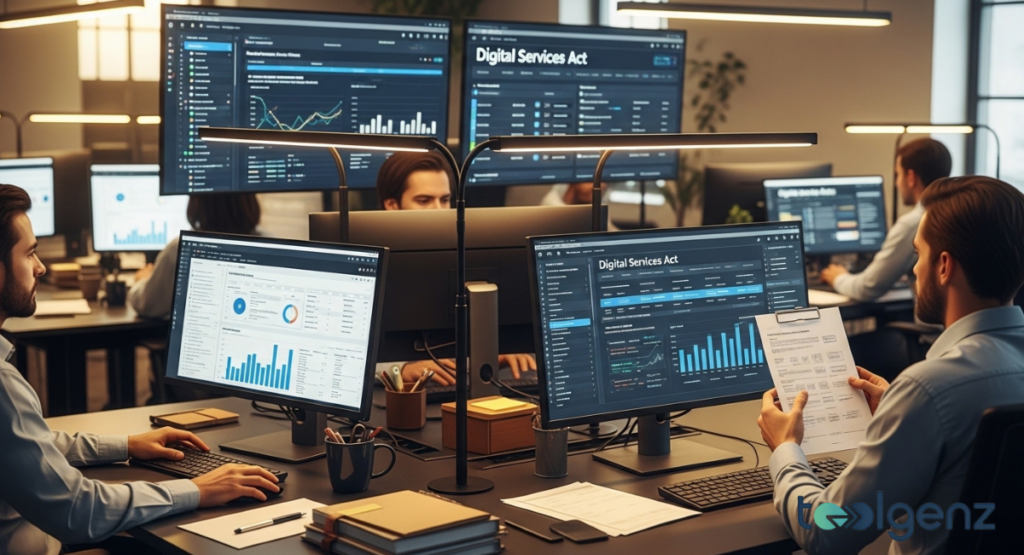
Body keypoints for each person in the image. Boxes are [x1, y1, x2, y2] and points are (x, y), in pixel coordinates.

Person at [0, 184, 280, 555]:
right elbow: (78, 510)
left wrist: (127, 445)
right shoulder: (4, 386)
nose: (41, 267)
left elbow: (26, 447)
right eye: (30, 253)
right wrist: (198, 489)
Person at [758, 176, 1024, 554]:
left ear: (944, 266)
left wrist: (785, 449)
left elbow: (826, 532)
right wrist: (900, 408)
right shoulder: (931, 393)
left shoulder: (930, 389)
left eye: (918, 254)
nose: (913, 270)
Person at [375, 152, 537, 385]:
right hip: (401, 395)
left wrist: (487, 356)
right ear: (392, 205)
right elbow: (339, 352)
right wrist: (398, 369)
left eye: (445, 199)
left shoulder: (467, 252)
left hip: (454, 389)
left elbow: (451, 354)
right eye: (424, 201)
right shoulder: (368, 263)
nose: (439, 210)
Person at [820, 139, 952, 301]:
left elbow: (867, 288)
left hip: (929, 317)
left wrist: (837, 277)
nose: (897, 183)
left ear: (911, 177)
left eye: (898, 174)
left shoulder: (915, 223)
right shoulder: (952, 213)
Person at [129, 193, 261, 319]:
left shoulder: (181, 249)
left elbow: (146, 304)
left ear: (197, 203)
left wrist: (142, 280)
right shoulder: (269, 242)